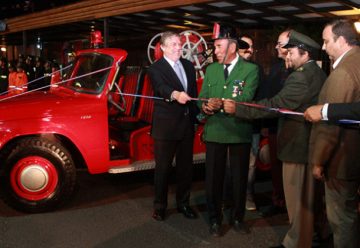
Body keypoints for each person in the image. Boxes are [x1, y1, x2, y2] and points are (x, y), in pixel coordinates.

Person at [223, 30, 326, 248]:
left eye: (291, 52)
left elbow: (276, 105)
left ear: (304, 54)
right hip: (306, 144)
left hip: (297, 146)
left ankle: (295, 242)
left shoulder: (301, 77)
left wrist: (239, 108)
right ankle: (315, 234)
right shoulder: (315, 72)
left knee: (297, 200)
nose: (286, 56)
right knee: (308, 199)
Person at [198, 23, 259, 237]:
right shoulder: (211, 69)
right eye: (215, 47)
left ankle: (237, 217)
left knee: (239, 178)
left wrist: (221, 103)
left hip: (238, 131)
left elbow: (246, 98)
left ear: (232, 47)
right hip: (214, 131)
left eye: (218, 46)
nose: (215, 51)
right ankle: (215, 220)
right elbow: (202, 96)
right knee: (213, 179)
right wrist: (206, 105)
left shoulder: (250, 70)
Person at [307, 19, 360, 248]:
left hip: (341, 161)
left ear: (341, 40)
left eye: (326, 41)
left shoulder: (343, 73)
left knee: (341, 219)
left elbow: (329, 127)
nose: (323, 46)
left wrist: (318, 162)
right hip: (355, 157)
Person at [148, 31, 199, 222]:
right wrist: (175, 94)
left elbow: (193, 93)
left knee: (186, 168)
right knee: (163, 169)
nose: (179, 48)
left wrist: (197, 117)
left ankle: (183, 203)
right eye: (174, 45)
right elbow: (160, 87)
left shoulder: (188, 65)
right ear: (162, 48)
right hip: (166, 128)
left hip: (186, 126)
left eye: (180, 44)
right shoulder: (155, 69)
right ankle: (160, 207)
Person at [259, 30, 292, 217]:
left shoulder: (295, 70)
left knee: (289, 169)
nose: (277, 47)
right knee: (276, 166)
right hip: (273, 126)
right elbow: (267, 95)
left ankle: (290, 203)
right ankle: (279, 200)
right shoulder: (275, 67)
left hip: (289, 127)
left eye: (280, 43)